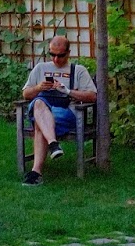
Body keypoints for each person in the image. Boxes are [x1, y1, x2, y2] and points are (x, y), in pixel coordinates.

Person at [19, 36, 96, 186]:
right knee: (39, 104)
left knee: (40, 122)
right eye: (52, 54)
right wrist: (38, 88)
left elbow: (92, 96)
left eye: (60, 55)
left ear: (68, 53)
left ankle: (36, 173)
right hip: (41, 107)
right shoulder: (40, 68)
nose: (55, 59)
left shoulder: (78, 71)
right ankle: (53, 144)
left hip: (64, 112)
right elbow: (26, 94)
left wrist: (67, 91)